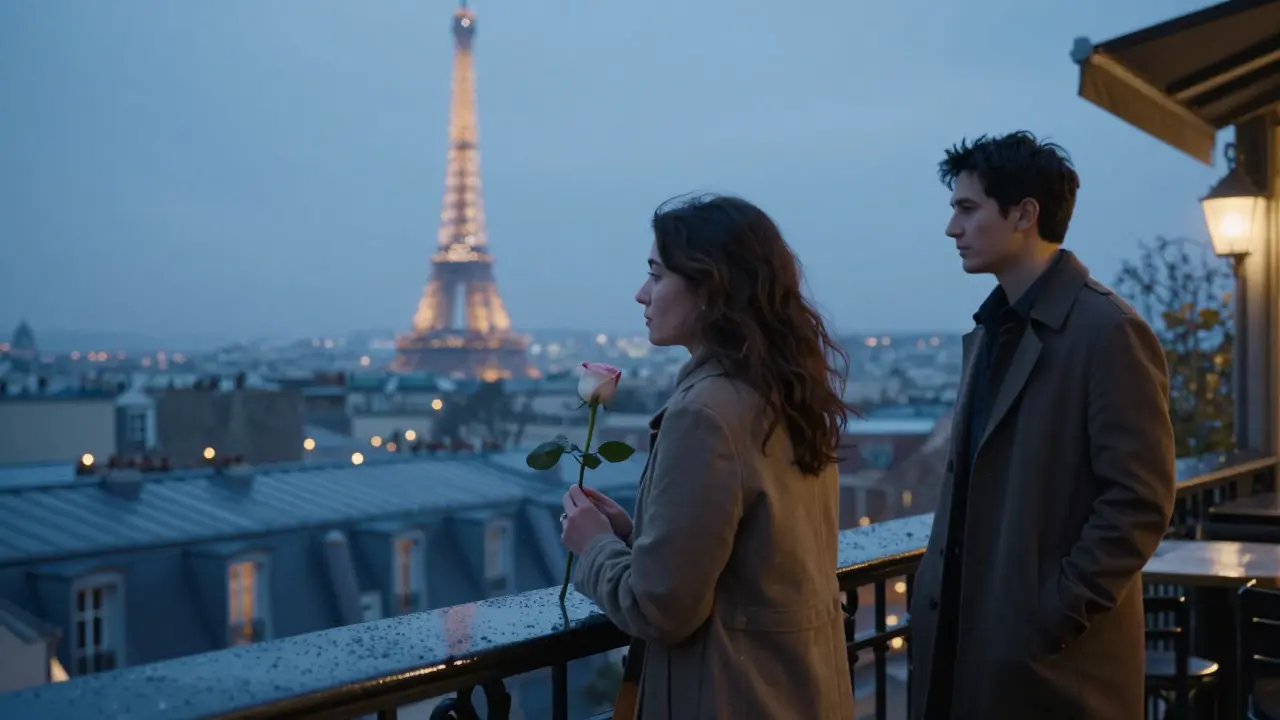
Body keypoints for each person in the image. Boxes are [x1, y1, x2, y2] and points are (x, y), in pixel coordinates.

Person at [907, 131, 1177, 720]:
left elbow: (1138, 501)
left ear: (1025, 213)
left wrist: (1051, 615)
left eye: (967, 208)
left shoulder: (1108, 331)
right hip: (971, 648)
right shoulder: (991, 330)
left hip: (1050, 669)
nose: (952, 228)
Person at [557, 194, 856, 719]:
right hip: (798, 690)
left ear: (709, 287)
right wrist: (637, 538)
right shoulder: (785, 390)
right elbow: (757, 557)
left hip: (729, 696)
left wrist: (594, 548)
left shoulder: (706, 412)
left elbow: (661, 610)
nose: (641, 294)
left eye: (656, 275)